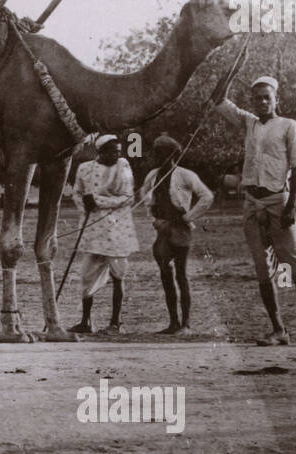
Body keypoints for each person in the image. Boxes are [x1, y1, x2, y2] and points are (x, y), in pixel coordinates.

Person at [212, 73, 296, 347]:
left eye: (267, 97)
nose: (262, 102)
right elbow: (218, 99)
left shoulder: (290, 126)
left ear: (277, 99)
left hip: (279, 201)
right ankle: (279, 330)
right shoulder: (249, 123)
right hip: (252, 203)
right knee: (263, 269)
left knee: (295, 268)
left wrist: (291, 206)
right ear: (252, 102)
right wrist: (232, 69)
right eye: (257, 99)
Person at [138, 135, 213, 334]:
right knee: (165, 274)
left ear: (172, 154)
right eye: (155, 152)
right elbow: (144, 195)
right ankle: (173, 322)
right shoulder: (153, 175)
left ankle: (185, 324)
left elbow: (207, 196)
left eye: (161, 152)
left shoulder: (186, 175)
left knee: (181, 275)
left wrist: (188, 217)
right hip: (163, 229)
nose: (156, 156)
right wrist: (153, 217)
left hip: (181, 229)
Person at [69, 134, 138, 335]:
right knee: (87, 275)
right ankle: (86, 321)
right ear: (101, 151)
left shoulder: (123, 166)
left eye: (119, 151)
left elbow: (128, 197)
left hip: (118, 229)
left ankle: (116, 323)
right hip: (92, 230)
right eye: (112, 151)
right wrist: (85, 204)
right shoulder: (84, 168)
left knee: (118, 275)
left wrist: (98, 201)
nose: (117, 155)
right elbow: (77, 193)